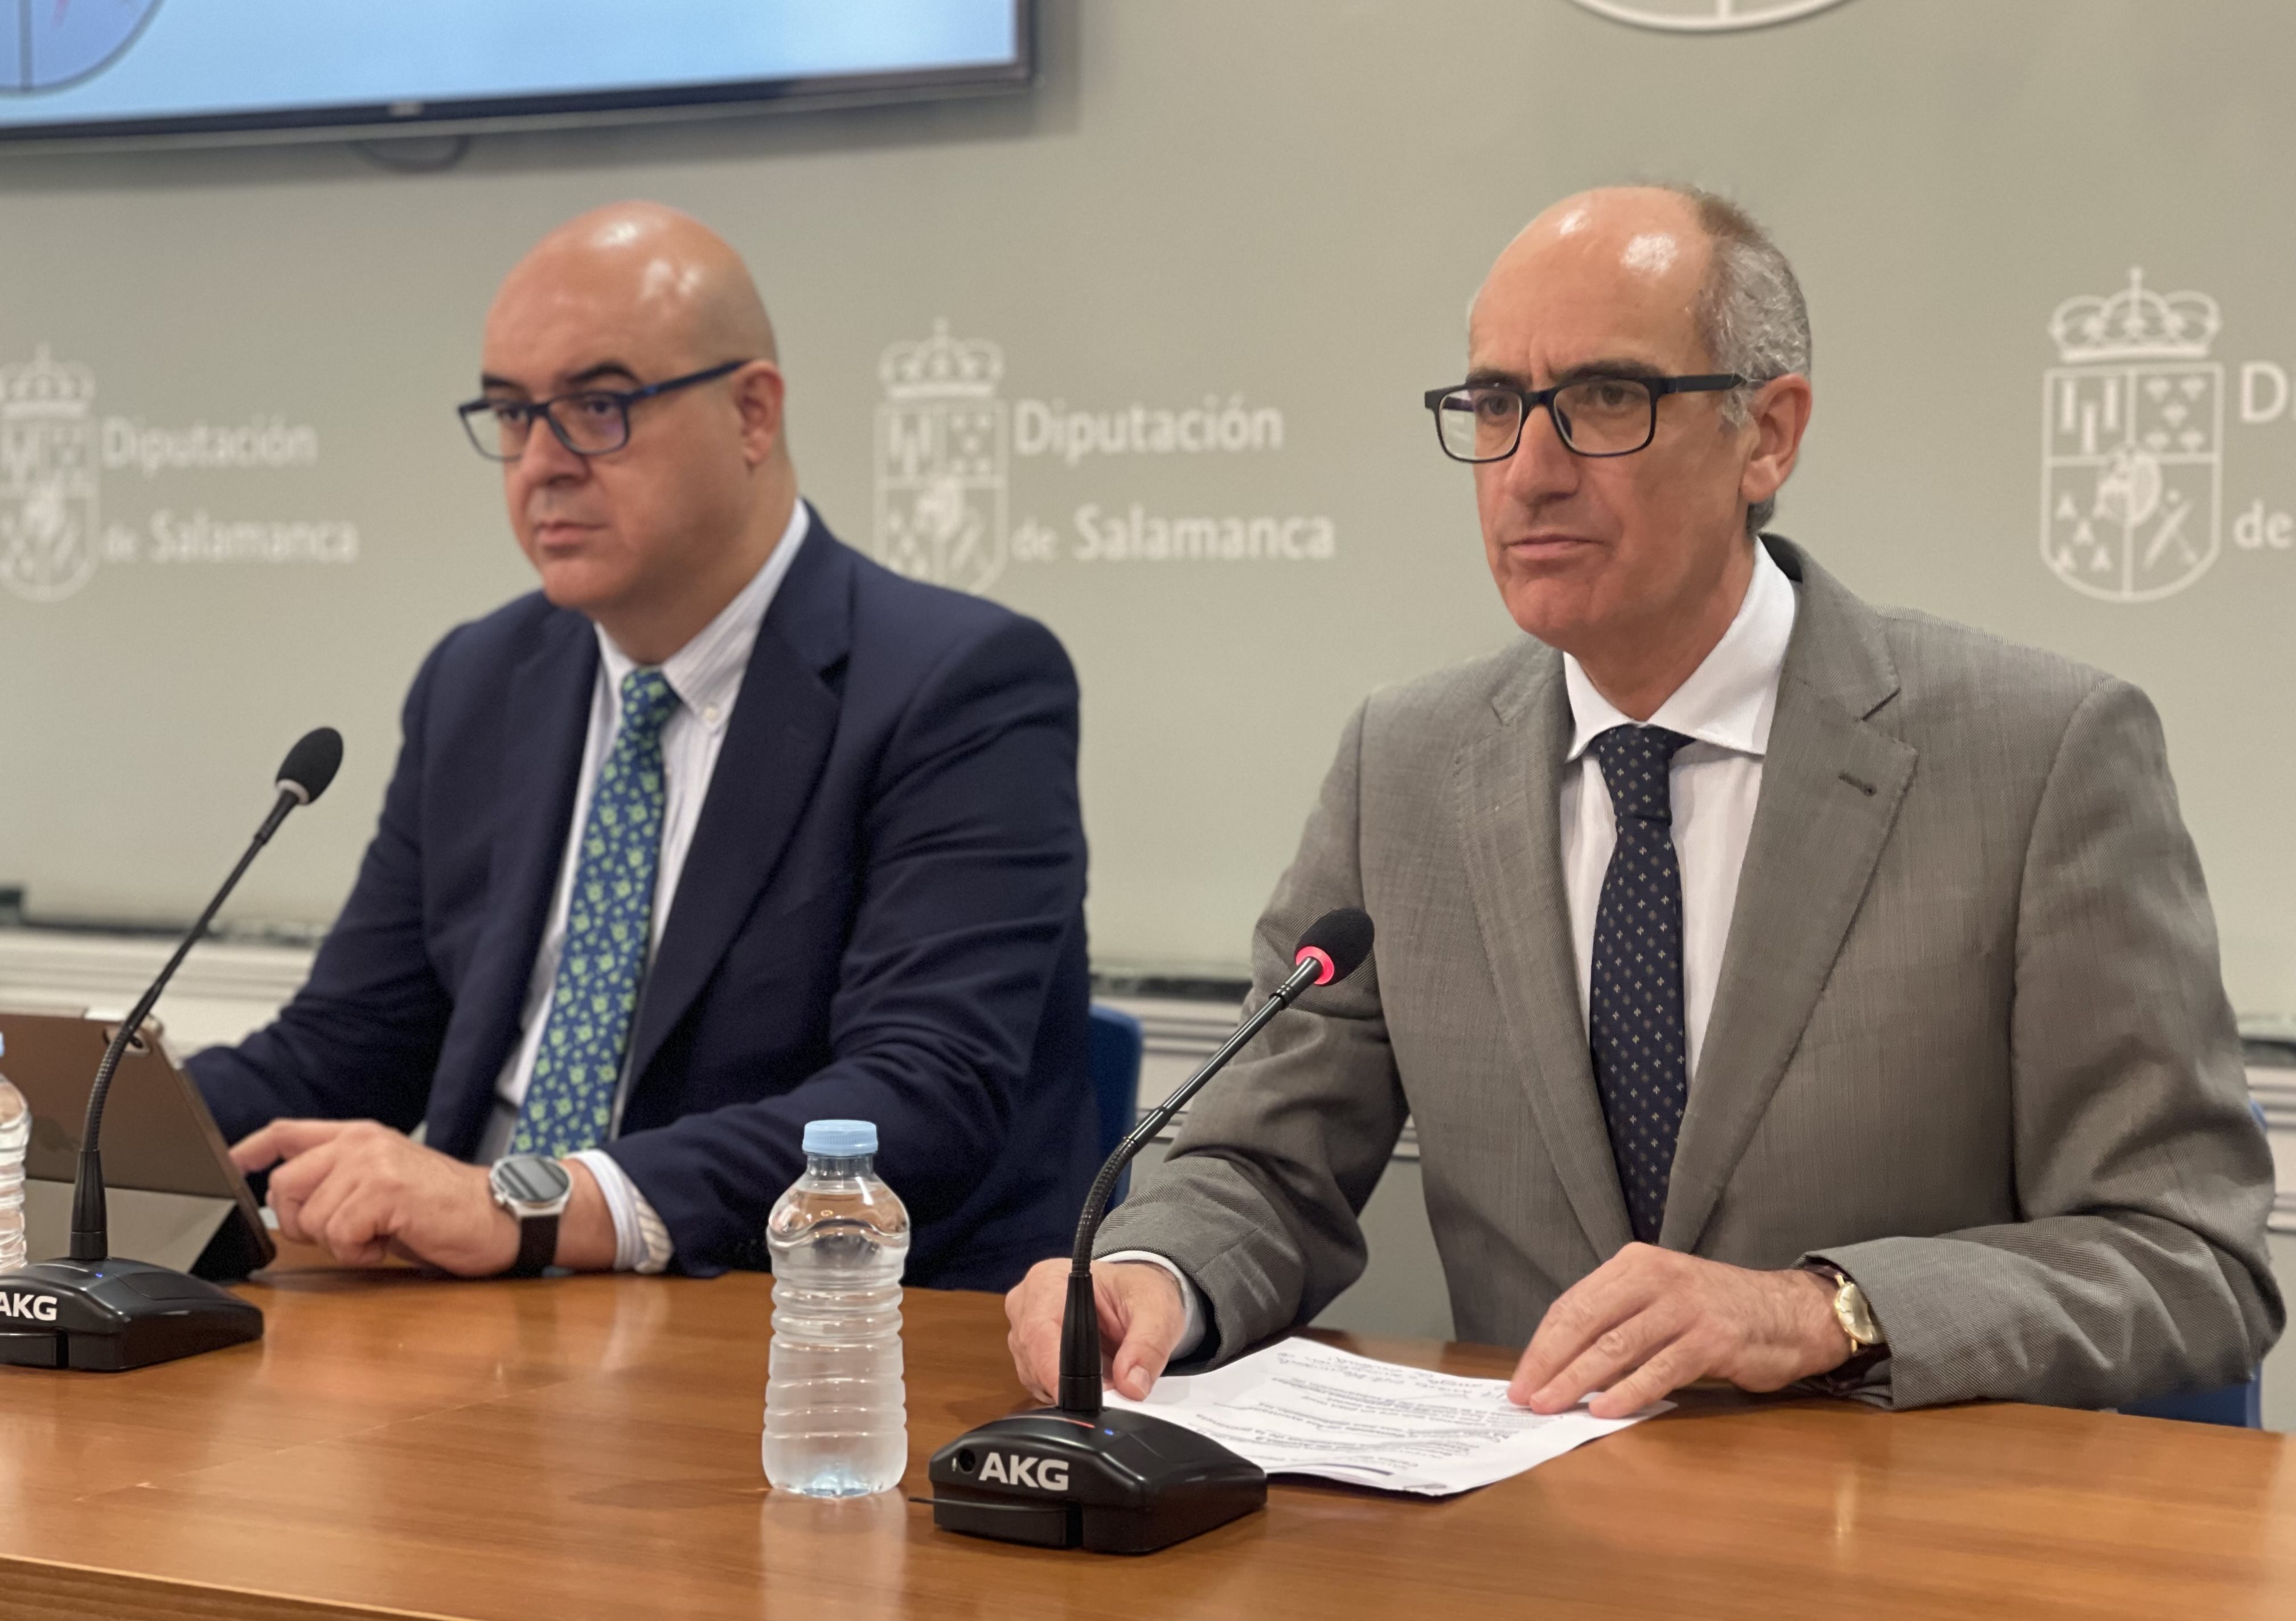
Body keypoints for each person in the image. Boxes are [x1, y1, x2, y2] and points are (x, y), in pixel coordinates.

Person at [1006, 185, 2281, 1414]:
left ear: (1767, 434)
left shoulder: (2040, 755)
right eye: (1494, 405)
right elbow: (1260, 1165)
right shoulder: (1405, 766)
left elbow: (2188, 1256)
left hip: (1892, 1517)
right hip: (1526, 1515)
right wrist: (1150, 1275)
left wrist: (1825, 1311)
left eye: (1604, 399)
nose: (1529, 471)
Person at [191, 202, 1097, 1288]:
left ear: (752, 413)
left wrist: (529, 1204)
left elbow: (921, 1096)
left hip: (788, 1326)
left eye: (597, 407)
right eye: (513, 413)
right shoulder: (480, 680)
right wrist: (79, 1114)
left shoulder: (958, 685)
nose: (541, 463)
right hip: (476, 1317)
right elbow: (347, 1048)